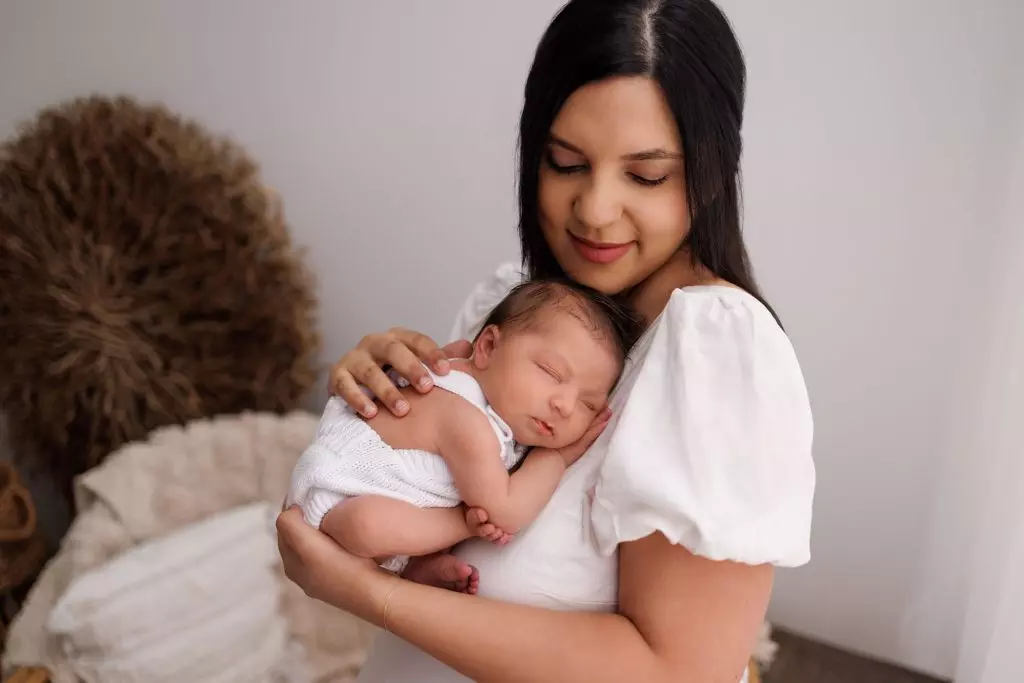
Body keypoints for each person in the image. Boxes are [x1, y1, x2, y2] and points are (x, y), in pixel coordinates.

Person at [276, 0, 815, 681]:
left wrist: (366, 593)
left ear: (711, 171)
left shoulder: (714, 353)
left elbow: (682, 671)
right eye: (565, 163)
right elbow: (417, 518)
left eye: (646, 175)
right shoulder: (515, 301)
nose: (594, 210)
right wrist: (369, 417)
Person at [285, 279, 642, 576]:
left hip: (377, 489)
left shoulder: (461, 361)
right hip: (339, 496)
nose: (564, 405)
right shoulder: (466, 422)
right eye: (551, 372)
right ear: (487, 346)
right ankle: (450, 533)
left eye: (588, 404)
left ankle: (418, 569)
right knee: (369, 526)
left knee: (391, 527)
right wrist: (556, 458)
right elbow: (505, 511)